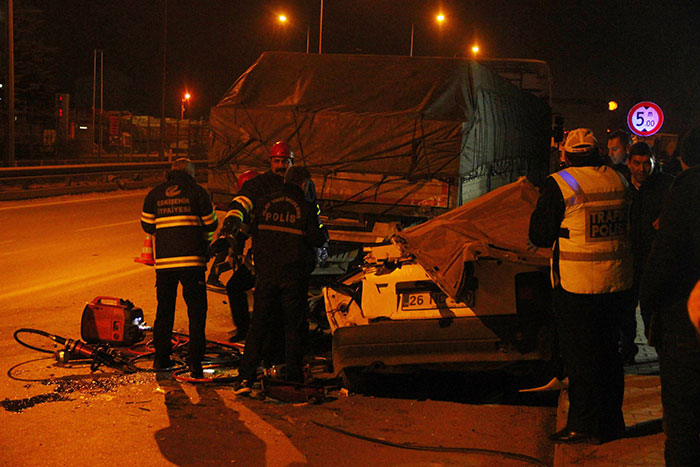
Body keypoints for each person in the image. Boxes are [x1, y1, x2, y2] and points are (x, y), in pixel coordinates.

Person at [529, 128, 633, 444]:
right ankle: (613, 423)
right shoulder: (620, 179)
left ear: (567, 154)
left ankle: (583, 424)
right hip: (617, 282)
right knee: (610, 357)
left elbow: (539, 235)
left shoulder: (561, 183)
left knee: (581, 359)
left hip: (577, 288)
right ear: (597, 152)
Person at [235, 166, 329, 394]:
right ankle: (294, 376)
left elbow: (248, 232)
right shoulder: (306, 208)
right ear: (304, 184)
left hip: (266, 276)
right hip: (293, 279)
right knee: (293, 328)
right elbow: (318, 239)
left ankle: (245, 379)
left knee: (257, 327)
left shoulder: (265, 203)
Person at [640, 127, 700, 466]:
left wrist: (647, 306)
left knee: (683, 422)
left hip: (685, 325)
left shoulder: (687, 189)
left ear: (684, 159)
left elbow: (664, 259)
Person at [140, 158, 218, 378]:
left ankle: (161, 359)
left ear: (170, 173)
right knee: (196, 311)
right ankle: (195, 364)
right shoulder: (198, 192)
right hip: (193, 263)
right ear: (191, 173)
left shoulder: (155, 194)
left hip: (165, 264)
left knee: (164, 311)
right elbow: (211, 224)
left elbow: (147, 224)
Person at [619, 141, 674, 363]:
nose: (642, 169)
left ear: (653, 162)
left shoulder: (666, 186)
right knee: (625, 308)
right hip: (629, 257)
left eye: (646, 164)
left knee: (651, 308)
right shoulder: (621, 186)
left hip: (654, 258)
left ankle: (661, 349)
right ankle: (627, 348)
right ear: (629, 163)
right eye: (637, 164)